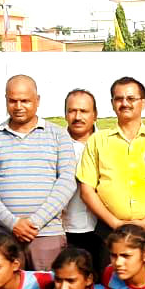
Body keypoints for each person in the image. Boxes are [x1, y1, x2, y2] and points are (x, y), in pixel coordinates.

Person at [0, 75, 77, 271]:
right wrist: (13, 223)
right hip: (3, 235)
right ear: (6, 100)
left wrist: (35, 222)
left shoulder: (58, 135)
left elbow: (66, 182)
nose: (19, 106)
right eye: (13, 101)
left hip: (46, 234)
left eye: (25, 101)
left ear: (37, 101)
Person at [77, 77, 145, 263]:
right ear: (112, 103)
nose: (125, 103)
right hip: (109, 231)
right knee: (112, 287)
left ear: (143, 103)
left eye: (131, 98)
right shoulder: (98, 141)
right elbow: (87, 190)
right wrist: (115, 224)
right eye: (119, 99)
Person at [61, 89, 101, 264]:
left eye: (84, 111)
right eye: (72, 111)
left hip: (102, 229)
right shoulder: (55, 144)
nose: (77, 117)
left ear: (95, 115)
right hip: (64, 230)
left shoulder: (107, 143)